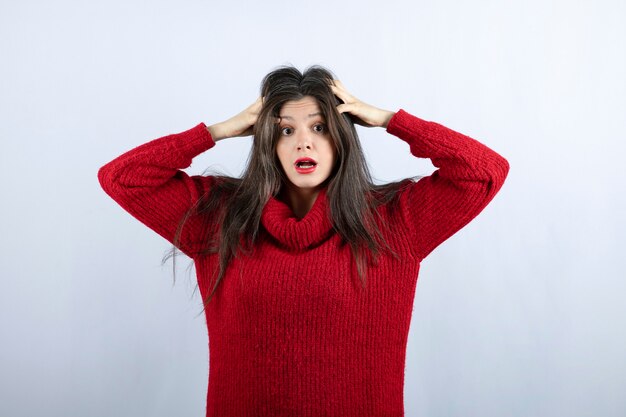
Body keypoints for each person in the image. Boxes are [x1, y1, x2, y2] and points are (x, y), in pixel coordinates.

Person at [98, 65, 509, 416]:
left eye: (319, 127)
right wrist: (217, 131)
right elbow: (121, 179)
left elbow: (484, 172)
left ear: (342, 139)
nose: (303, 141)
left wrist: (389, 120)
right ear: (265, 143)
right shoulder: (220, 217)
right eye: (284, 130)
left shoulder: (393, 221)